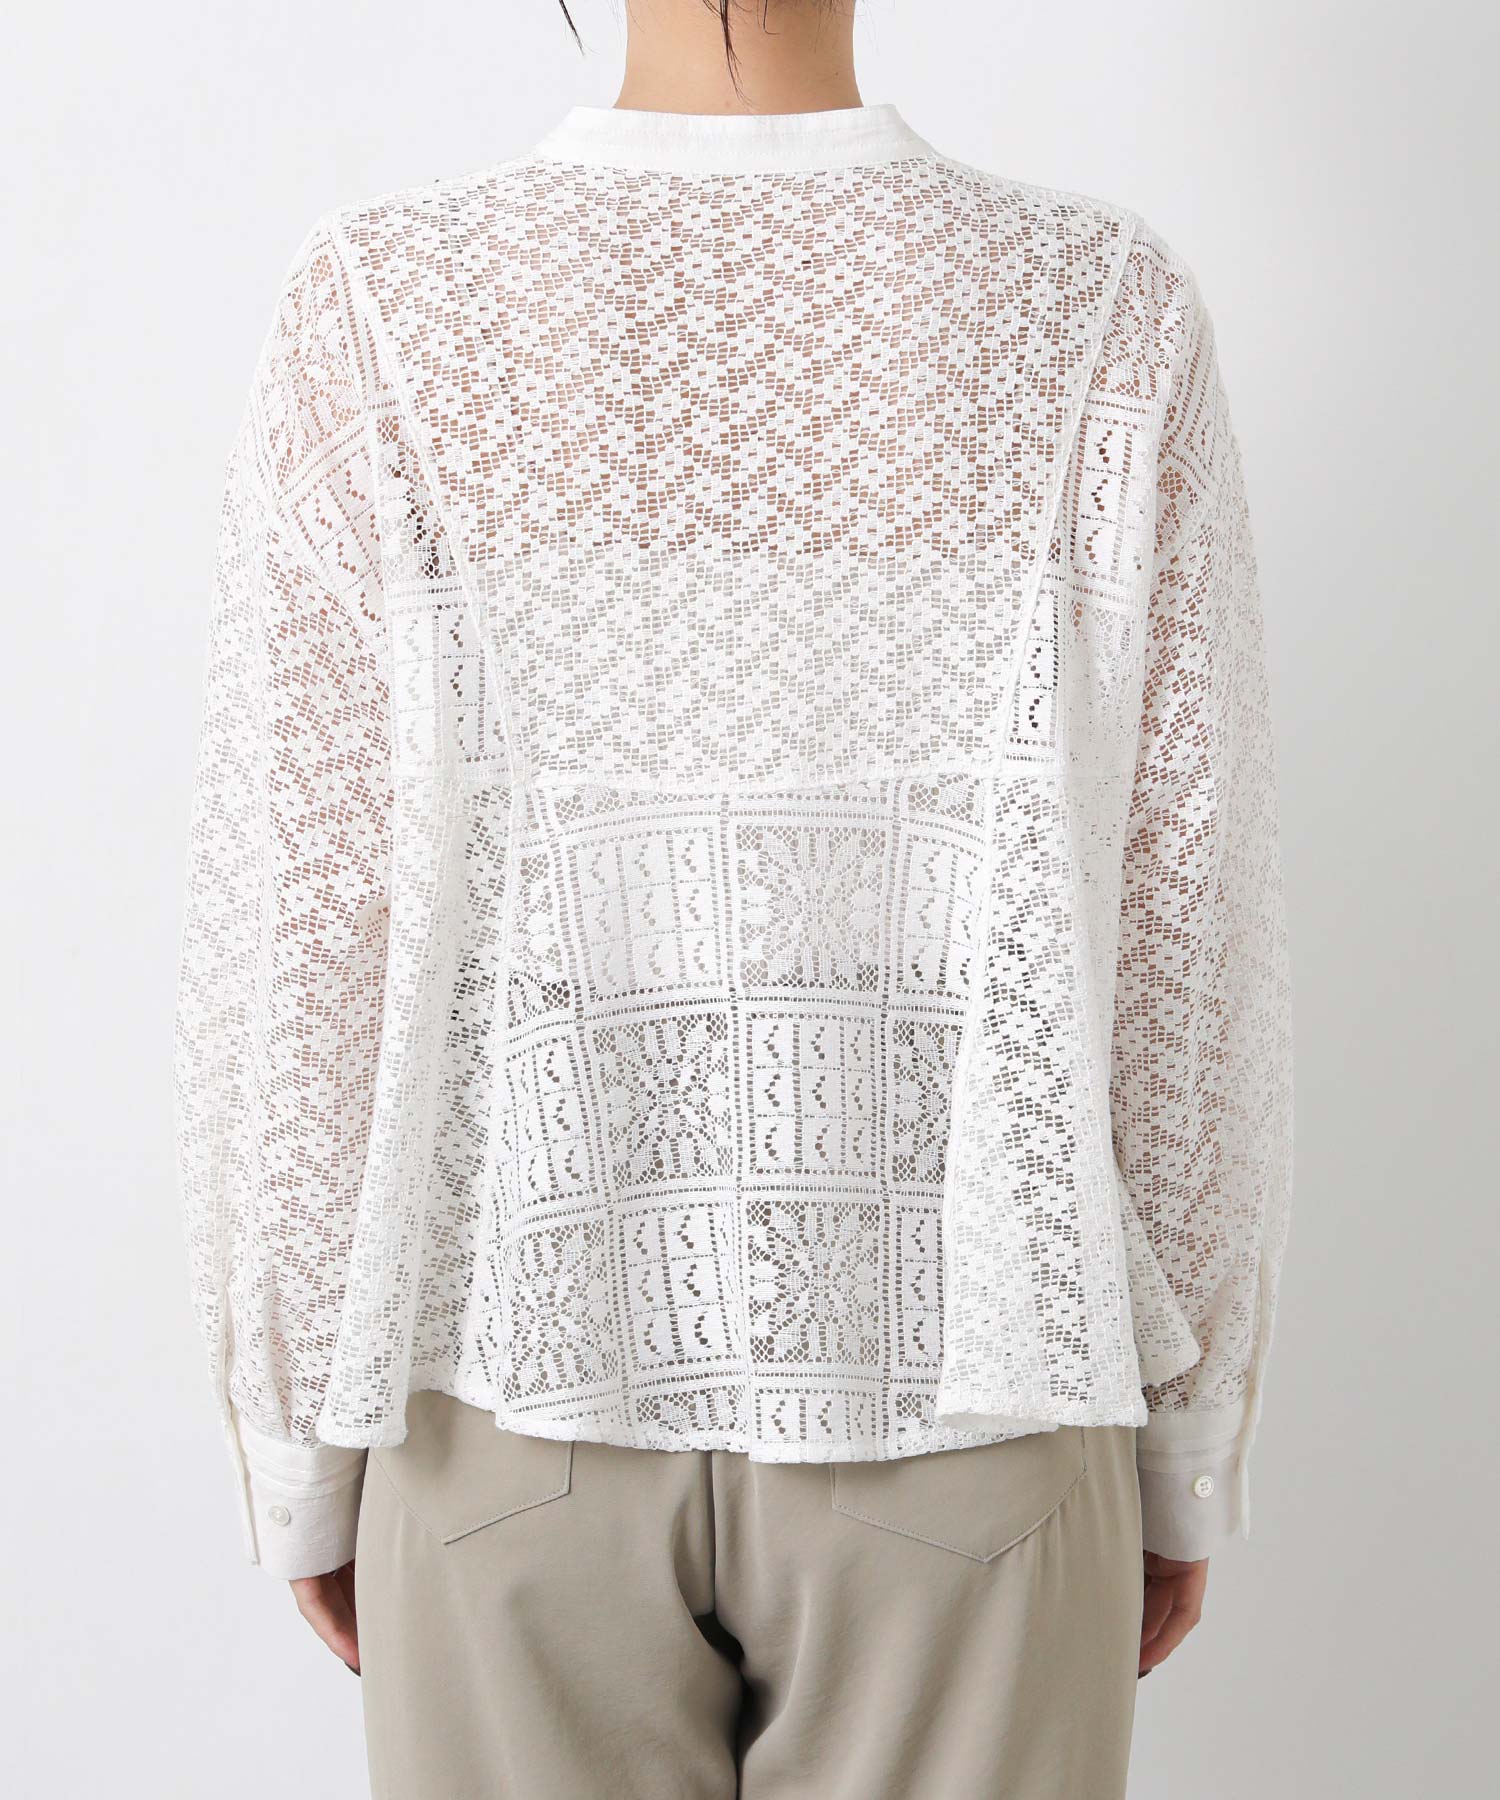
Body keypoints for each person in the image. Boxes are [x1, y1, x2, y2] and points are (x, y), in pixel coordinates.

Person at [172, 2, 1294, 1794]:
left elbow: (305, 931)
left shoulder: (378, 308)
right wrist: (1186, 1438)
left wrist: (301, 1438)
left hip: (503, 1395)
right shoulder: (1103, 308)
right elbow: (1187, 938)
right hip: (982, 1391)